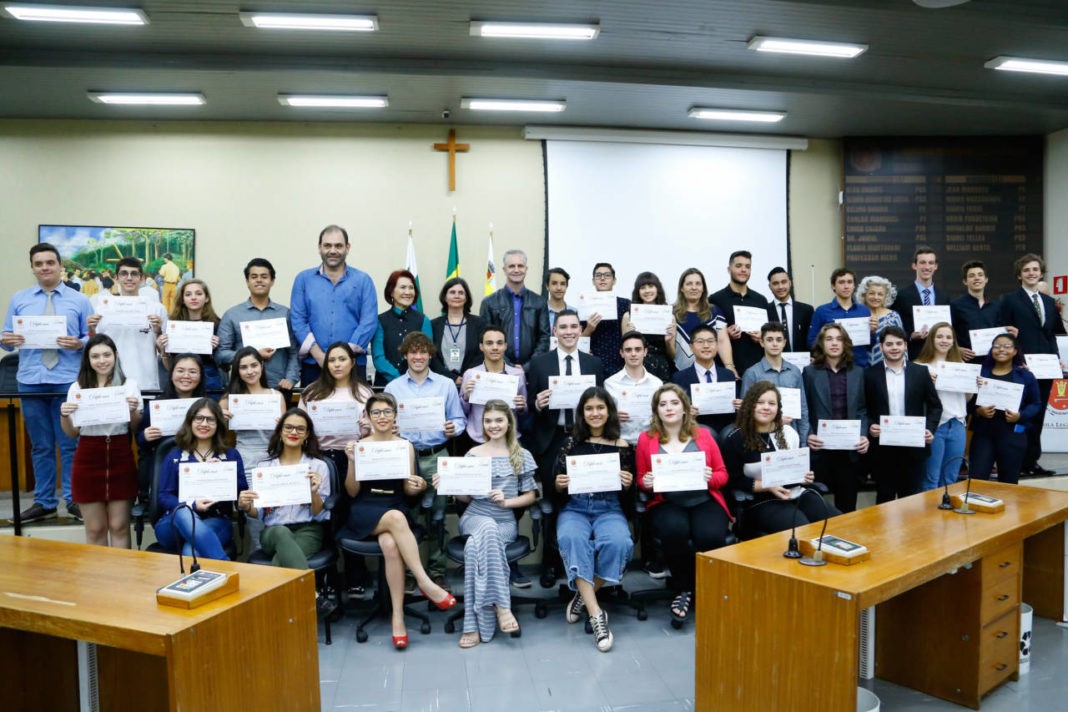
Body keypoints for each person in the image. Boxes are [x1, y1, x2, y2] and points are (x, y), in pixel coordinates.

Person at [342, 392, 456, 649]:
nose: (382, 417)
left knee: (391, 545)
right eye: (376, 413)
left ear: (395, 415)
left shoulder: (406, 446)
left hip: (395, 504)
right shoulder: (359, 446)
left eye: (387, 412)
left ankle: (397, 617)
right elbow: (351, 492)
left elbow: (408, 491)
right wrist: (351, 461)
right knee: (395, 518)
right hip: (365, 507)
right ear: (368, 417)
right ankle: (425, 582)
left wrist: (418, 486)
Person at [2, 243, 92, 522]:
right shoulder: (20, 299)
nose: (45, 268)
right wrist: (7, 340)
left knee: (69, 445)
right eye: (39, 264)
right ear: (32, 268)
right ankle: (44, 502)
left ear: (60, 266)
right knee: (40, 446)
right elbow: (5, 336)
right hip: (31, 381)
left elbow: (93, 339)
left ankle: (74, 499)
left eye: (50, 263)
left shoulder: (79, 300)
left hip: (66, 381)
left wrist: (79, 343)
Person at [437, 400, 537, 648]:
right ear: (482, 424)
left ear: (509, 422)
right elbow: (467, 497)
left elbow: (531, 496)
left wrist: (508, 502)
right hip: (475, 516)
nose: (493, 425)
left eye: (499, 420)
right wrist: (447, 485)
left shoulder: (521, 455)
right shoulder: (473, 454)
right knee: (487, 528)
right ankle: (502, 607)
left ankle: (473, 623)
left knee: (473, 549)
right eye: (488, 421)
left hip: (505, 520)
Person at [636, 383, 731, 627]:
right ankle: (684, 590)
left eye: (674, 403)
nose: (669, 408)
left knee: (709, 536)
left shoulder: (705, 436)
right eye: (663, 404)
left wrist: (712, 477)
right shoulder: (646, 440)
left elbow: (723, 475)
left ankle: (707, 590)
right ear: (656, 411)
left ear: (685, 408)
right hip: (668, 502)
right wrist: (646, 481)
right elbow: (642, 479)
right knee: (674, 531)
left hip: (704, 500)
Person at [525, 309, 605, 585]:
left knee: (583, 499)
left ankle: (584, 564)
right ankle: (552, 562)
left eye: (574, 326)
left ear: (579, 330)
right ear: (555, 332)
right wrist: (537, 404)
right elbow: (530, 408)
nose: (569, 331)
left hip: (585, 439)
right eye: (564, 327)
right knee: (553, 502)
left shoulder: (593, 364)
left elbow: (601, 406)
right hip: (552, 439)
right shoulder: (539, 364)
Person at [553, 387, 635, 653]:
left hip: (608, 508)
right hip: (576, 508)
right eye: (589, 408)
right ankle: (597, 614)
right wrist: (559, 483)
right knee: (571, 538)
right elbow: (555, 485)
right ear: (582, 413)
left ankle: (582, 596)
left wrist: (629, 481)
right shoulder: (569, 443)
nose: (595, 413)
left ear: (609, 411)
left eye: (600, 408)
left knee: (620, 542)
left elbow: (630, 490)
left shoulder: (623, 447)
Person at [384, 331, 467, 589]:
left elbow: (460, 419)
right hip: (405, 458)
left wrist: (455, 428)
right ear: (405, 355)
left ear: (430, 354)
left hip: (437, 456)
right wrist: (391, 430)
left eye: (423, 352)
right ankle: (411, 574)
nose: (418, 357)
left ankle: (437, 569)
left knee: (439, 517)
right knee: (409, 518)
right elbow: (383, 423)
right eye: (413, 352)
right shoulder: (392, 388)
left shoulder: (445, 385)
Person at [59, 334, 141, 547]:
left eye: (106, 354)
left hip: (120, 454)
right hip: (88, 456)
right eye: (95, 356)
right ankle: (98, 578)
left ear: (115, 355)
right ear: (87, 359)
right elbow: (72, 433)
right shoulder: (77, 387)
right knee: (94, 529)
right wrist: (64, 415)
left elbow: (135, 427)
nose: (102, 360)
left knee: (119, 526)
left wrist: (132, 411)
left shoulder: (129, 385)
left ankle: (122, 579)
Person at [723, 382, 836, 535]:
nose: (766, 407)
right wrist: (767, 486)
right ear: (750, 406)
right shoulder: (735, 439)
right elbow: (731, 479)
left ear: (778, 408)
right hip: (762, 500)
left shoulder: (789, 433)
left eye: (772, 403)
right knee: (802, 530)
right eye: (760, 402)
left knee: (837, 521)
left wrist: (804, 477)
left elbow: (794, 470)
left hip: (795, 493)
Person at [996, 253, 1064, 477]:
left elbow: (1051, 334)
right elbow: (1000, 332)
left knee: (1037, 416)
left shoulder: (1048, 302)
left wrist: (1056, 358)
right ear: (1019, 275)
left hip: (1045, 368)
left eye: (1035, 269)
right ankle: (1014, 463)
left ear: (1041, 272)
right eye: (1026, 270)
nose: (1031, 273)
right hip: (1020, 368)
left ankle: (1032, 462)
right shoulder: (1009, 299)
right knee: (1018, 416)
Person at [154, 397, 247, 560]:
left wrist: (223, 474)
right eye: (199, 418)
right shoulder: (174, 454)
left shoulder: (231, 455)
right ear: (190, 421)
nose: (204, 424)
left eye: (210, 419)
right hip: (173, 525)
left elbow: (242, 493)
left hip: (216, 520)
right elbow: (164, 496)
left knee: (191, 551)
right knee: (184, 511)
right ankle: (227, 566)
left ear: (218, 424)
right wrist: (192, 505)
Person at [237, 408, 330, 569]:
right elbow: (257, 513)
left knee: (281, 562)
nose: (294, 432)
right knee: (281, 532)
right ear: (280, 431)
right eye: (288, 427)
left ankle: (297, 593)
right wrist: (245, 506)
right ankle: (308, 592)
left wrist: (313, 493)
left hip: (308, 531)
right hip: (272, 532)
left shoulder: (318, 466)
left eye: (300, 429)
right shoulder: (264, 467)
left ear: (307, 434)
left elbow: (320, 515)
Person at [290, 224, 378, 385]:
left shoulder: (363, 280)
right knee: (312, 410)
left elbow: (369, 322)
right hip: (314, 365)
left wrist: (343, 358)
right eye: (327, 245)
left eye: (338, 246)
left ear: (347, 247)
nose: (332, 250)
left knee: (355, 410)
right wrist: (320, 357)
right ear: (319, 247)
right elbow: (298, 321)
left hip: (354, 366)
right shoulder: (303, 280)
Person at [864, 326, 942, 503]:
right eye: (889, 344)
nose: (894, 347)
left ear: (906, 345)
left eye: (899, 343)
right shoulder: (869, 374)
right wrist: (869, 425)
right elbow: (863, 408)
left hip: (914, 448)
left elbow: (935, 406)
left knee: (912, 501)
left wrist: (930, 429)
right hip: (882, 450)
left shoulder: (920, 372)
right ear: (881, 346)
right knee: (885, 499)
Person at [221, 347, 286, 548]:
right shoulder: (228, 399)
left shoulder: (277, 396)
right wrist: (222, 419)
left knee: (279, 515)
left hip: (275, 460)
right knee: (254, 516)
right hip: (245, 460)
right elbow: (217, 436)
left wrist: (282, 426)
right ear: (237, 371)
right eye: (243, 367)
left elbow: (288, 437)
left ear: (262, 366)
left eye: (254, 365)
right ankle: (258, 562)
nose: (250, 371)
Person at [802, 324, 870, 512]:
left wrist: (864, 435)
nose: (834, 343)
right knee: (817, 506)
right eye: (829, 339)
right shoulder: (810, 372)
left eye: (839, 339)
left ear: (845, 344)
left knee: (847, 505)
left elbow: (863, 410)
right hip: (820, 449)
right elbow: (804, 408)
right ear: (821, 344)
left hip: (849, 451)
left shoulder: (857, 372)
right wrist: (808, 434)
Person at [216, 258, 300, 395]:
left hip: (279, 387)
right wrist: (253, 356)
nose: (259, 280)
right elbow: (221, 354)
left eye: (264, 277)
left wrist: (290, 378)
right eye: (254, 277)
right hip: (242, 388)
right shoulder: (232, 315)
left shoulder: (286, 314)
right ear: (247, 281)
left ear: (272, 281)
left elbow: (294, 352)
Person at [971, 333, 1042, 485]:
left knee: (1009, 482)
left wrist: (1020, 416)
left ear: (1015, 351)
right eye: (996, 346)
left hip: (1012, 434)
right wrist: (978, 411)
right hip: (984, 434)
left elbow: (1036, 403)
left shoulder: (1025, 375)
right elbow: (967, 402)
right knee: (977, 480)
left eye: (1007, 346)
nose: (1001, 349)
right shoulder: (979, 373)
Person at [87, 256, 167, 391]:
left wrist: (158, 331)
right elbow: (97, 347)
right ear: (116, 278)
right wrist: (92, 329)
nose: (129, 278)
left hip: (145, 381)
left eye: (134, 274)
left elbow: (164, 351)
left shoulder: (157, 309)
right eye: (124, 274)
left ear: (142, 278)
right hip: (110, 382)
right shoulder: (102, 309)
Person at [298, 342, 373, 482]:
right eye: (331, 360)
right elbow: (300, 424)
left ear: (352, 362)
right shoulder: (311, 392)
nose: (337, 364)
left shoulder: (365, 392)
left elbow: (373, 431)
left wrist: (367, 428)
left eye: (342, 359)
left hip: (353, 456)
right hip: (318, 456)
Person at [914, 323, 972, 491]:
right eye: (939, 336)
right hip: (934, 427)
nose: (944, 340)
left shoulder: (961, 365)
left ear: (954, 341)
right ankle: (928, 516)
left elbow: (967, 399)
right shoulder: (919, 366)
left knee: (950, 478)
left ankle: (945, 515)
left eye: (948, 337)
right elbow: (913, 400)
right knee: (930, 479)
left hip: (958, 424)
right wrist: (927, 383)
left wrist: (971, 385)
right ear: (931, 339)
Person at [479, 248, 551, 369]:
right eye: (512, 266)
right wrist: (508, 366)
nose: (516, 270)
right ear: (504, 270)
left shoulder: (539, 302)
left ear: (526, 269)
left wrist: (529, 366)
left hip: (533, 370)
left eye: (520, 266)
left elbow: (544, 338)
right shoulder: (489, 303)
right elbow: (486, 339)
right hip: (499, 370)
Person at [459, 325, 527, 447]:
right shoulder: (470, 374)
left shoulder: (518, 374)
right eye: (489, 343)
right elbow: (461, 412)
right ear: (481, 346)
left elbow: (523, 411)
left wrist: (522, 407)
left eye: (499, 343)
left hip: (509, 439)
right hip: (478, 439)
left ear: (505, 346)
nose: (495, 347)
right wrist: (466, 397)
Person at [740, 322, 810, 441]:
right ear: (762, 342)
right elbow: (746, 411)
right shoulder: (752, 373)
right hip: (762, 437)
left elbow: (802, 409)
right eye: (769, 339)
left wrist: (803, 441)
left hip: (792, 434)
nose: (774, 344)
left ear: (784, 343)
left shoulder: (794, 371)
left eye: (778, 340)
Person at [671, 324, 737, 437]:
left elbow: (734, 413)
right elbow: (674, 411)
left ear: (717, 345)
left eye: (710, 341)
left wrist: (739, 406)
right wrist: (685, 412)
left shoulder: (728, 375)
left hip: (726, 429)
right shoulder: (679, 378)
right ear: (691, 347)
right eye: (700, 342)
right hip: (694, 431)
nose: (706, 346)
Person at [158, 278, 224, 392]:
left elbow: (224, 365)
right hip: (181, 381)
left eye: (198, 294)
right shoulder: (173, 325)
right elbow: (169, 367)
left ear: (206, 298)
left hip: (209, 380)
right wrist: (163, 350)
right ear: (182, 299)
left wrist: (216, 350)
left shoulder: (218, 324)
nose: (193, 297)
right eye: (188, 294)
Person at [710, 250, 769, 375]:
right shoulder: (715, 299)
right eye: (738, 266)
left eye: (747, 266)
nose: (743, 270)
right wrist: (725, 335)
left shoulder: (761, 300)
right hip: (726, 369)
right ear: (729, 269)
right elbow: (708, 335)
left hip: (758, 369)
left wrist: (762, 336)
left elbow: (770, 332)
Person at [372, 269, 433, 387]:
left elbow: (428, 355)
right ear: (391, 291)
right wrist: (399, 379)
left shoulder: (423, 320)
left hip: (417, 384)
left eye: (411, 288)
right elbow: (378, 358)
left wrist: (411, 378)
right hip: (386, 385)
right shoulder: (380, 321)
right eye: (403, 287)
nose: (408, 292)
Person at [672, 267, 735, 375]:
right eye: (689, 284)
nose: (694, 287)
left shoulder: (714, 312)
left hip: (709, 372)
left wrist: (729, 365)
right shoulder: (671, 312)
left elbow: (722, 340)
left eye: (698, 284)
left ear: (703, 288)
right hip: (678, 372)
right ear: (681, 288)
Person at [605, 331, 663, 445]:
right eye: (628, 350)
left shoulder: (657, 384)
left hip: (651, 443)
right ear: (621, 353)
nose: (633, 354)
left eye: (638, 349)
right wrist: (611, 416)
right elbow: (603, 415)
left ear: (645, 352)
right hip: (620, 443)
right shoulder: (610, 383)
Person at [807, 267, 871, 367]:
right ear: (833, 286)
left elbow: (870, 345)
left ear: (854, 286)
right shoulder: (822, 311)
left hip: (860, 366)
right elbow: (811, 342)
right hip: (832, 368)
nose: (846, 286)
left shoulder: (864, 311)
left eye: (849, 282)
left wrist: (873, 332)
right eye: (841, 282)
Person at [893, 246, 949, 360]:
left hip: (940, 355)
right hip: (915, 354)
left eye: (931, 263)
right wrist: (910, 336)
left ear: (936, 266)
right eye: (922, 262)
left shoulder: (944, 297)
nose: (927, 267)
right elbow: (896, 326)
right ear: (914, 265)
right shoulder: (901, 296)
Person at [620, 271, 676, 381]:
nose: (647, 291)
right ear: (638, 291)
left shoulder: (669, 316)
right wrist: (630, 334)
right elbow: (625, 350)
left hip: (662, 367)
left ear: (657, 289)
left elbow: (672, 355)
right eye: (643, 287)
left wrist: (668, 342)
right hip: (637, 368)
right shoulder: (628, 316)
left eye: (651, 286)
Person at [430, 277, 484, 387]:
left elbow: (481, 354)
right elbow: (432, 356)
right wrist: (451, 378)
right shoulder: (433, 325)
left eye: (461, 293)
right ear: (445, 297)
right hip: (441, 383)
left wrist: (466, 376)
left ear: (466, 297)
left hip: (471, 383)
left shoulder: (479, 323)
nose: (457, 296)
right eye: (452, 292)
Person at [580, 262, 631, 375]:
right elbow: (579, 338)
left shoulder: (625, 304)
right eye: (598, 275)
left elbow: (630, 337)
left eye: (607, 275)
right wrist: (589, 329)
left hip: (619, 361)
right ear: (593, 281)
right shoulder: (585, 304)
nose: (602, 278)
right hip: (592, 360)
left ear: (614, 280)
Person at [950, 260, 1000, 362]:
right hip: (966, 362)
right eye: (971, 275)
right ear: (965, 281)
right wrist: (957, 349)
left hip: (992, 362)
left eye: (980, 275)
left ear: (986, 279)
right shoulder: (956, 305)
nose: (976, 278)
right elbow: (948, 332)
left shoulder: (996, 306)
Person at [765, 266, 813, 355]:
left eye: (784, 282)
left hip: (801, 364)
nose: (780, 287)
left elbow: (812, 339)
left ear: (790, 283)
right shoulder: (765, 311)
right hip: (773, 364)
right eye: (775, 283)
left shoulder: (807, 310)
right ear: (770, 286)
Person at [857, 275, 903, 365]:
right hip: (861, 366)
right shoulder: (857, 315)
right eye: (871, 293)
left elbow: (901, 345)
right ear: (864, 295)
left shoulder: (893, 316)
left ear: (885, 297)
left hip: (889, 366)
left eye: (880, 294)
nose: (876, 297)